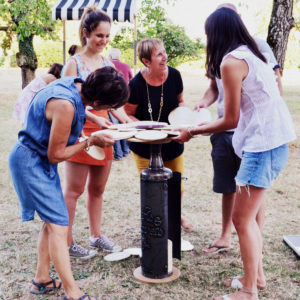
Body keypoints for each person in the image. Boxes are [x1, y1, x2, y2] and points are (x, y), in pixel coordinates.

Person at [173, 8, 296, 300]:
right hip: (272, 143)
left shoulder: (231, 62)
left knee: (242, 221)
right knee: (249, 218)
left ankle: (250, 291)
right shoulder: (251, 54)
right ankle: (254, 278)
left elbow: (230, 120)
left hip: (262, 147)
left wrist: (193, 131)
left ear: (216, 34)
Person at [9, 67, 129, 300]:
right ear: (97, 100)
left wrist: (95, 119)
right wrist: (91, 140)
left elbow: (80, 108)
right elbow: (56, 154)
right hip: (30, 162)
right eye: (109, 108)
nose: (110, 112)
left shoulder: (73, 83)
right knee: (58, 225)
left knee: (52, 221)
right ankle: (72, 292)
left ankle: (42, 280)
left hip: (38, 160)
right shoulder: (66, 106)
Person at [195, 2, 283, 259]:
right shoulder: (227, 55)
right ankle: (253, 276)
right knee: (233, 196)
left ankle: (251, 283)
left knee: (246, 211)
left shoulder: (244, 54)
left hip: (256, 138)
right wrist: (204, 103)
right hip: (242, 134)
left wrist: (193, 130)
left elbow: (236, 116)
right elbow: (215, 90)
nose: (208, 39)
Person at [62, 7, 130, 259]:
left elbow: (116, 103)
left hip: (106, 130)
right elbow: (69, 104)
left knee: (98, 189)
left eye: (107, 37)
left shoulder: (106, 62)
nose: (103, 41)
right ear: (85, 33)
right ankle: (67, 241)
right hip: (81, 132)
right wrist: (95, 122)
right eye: (99, 35)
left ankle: (96, 235)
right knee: (73, 190)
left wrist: (129, 123)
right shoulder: (73, 64)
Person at [124, 38, 194, 232]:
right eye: (159, 54)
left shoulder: (175, 76)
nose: (165, 57)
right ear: (147, 61)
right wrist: (145, 127)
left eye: (164, 52)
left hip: (172, 142)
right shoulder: (136, 84)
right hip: (144, 146)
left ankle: (174, 218)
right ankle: (155, 226)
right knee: (153, 189)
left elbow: (180, 101)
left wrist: (183, 114)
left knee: (176, 187)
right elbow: (127, 113)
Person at [108, 48, 133, 160]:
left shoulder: (107, 65)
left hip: (111, 100)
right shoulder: (126, 66)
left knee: (115, 127)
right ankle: (126, 151)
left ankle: (118, 154)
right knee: (124, 124)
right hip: (124, 99)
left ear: (110, 56)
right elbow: (132, 82)